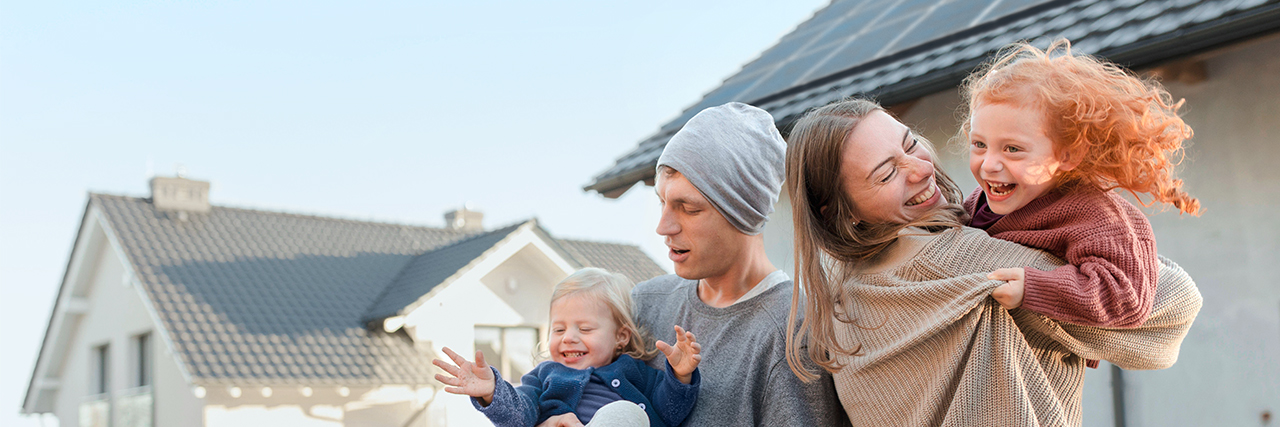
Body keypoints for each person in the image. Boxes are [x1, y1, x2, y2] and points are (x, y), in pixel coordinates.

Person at [784, 97, 1201, 426]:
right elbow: (1174, 307)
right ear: (839, 209)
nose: (920, 169)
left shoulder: (839, 301)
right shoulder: (956, 257)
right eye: (886, 173)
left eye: (910, 144)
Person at [960, 40, 1200, 337]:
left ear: (1067, 155)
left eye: (1012, 149)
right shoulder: (983, 199)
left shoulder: (1095, 215)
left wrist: (1033, 288)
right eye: (979, 144)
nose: (989, 165)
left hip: (1046, 368)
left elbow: (1127, 298)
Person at [632, 102, 849, 426]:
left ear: (743, 214)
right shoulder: (644, 306)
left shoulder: (793, 332)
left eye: (687, 208)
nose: (664, 227)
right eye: (663, 202)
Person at [434, 268, 702, 427]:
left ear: (621, 336)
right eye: (559, 329)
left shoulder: (636, 372)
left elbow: (671, 412)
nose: (568, 338)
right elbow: (520, 415)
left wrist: (680, 376)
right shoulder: (545, 375)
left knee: (627, 415)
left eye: (584, 329)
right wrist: (493, 392)